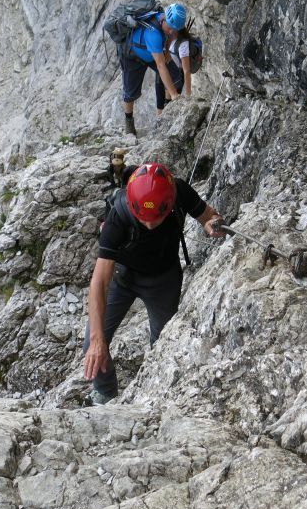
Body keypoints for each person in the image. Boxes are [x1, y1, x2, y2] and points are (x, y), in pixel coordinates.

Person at [82, 163, 224, 405]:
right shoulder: (118, 215)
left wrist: (213, 224)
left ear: (169, 204)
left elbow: (209, 216)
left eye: (155, 219)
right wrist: (97, 341)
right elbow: (100, 281)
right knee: (91, 341)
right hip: (123, 278)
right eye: (143, 219)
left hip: (163, 281)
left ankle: (152, 392)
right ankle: (105, 392)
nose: (149, 224)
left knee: (163, 347)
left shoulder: (178, 191)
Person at [119, 3, 189, 135]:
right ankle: (129, 124)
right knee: (130, 92)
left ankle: (167, 112)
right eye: (170, 28)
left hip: (150, 51)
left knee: (175, 78)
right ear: (165, 20)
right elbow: (160, 65)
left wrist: (167, 51)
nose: (171, 32)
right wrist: (175, 95)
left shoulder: (167, 23)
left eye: (174, 30)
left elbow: (169, 35)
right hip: (132, 56)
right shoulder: (153, 34)